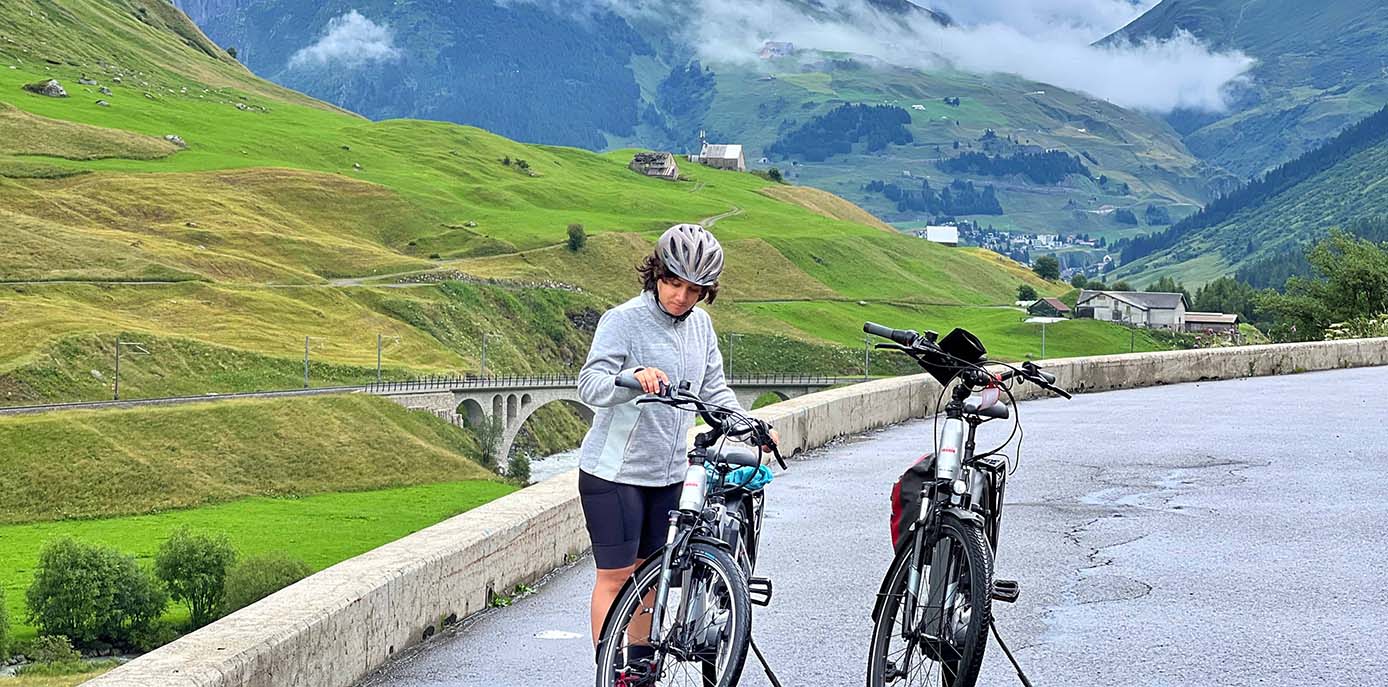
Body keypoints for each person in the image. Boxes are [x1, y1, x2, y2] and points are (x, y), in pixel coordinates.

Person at [575, 223, 776, 651]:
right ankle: (609, 672)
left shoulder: (700, 327)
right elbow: (589, 384)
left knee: (651, 576)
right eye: (672, 283)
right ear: (656, 274)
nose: (680, 297)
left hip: (668, 475)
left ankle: (639, 671)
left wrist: (751, 424)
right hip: (614, 474)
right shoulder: (624, 320)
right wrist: (631, 378)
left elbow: (714, 391)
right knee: (615, 578)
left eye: (693, 289)